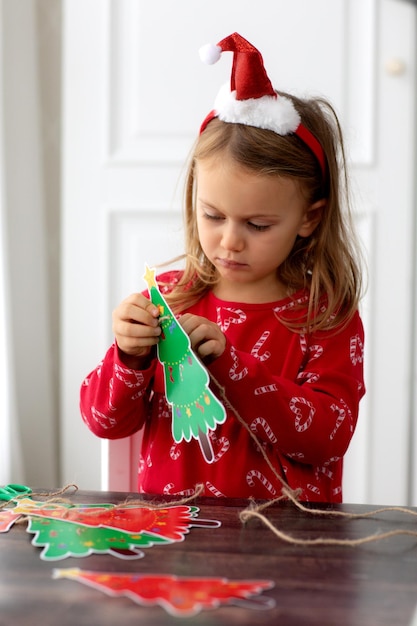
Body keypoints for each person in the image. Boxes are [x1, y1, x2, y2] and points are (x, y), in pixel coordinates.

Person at [80, 33, 365, 502]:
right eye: (213, 215)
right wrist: (129, 357)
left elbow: (327, 439)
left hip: (290, 548)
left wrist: (231, 366)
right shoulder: (171, 298)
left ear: (309, 218)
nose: (229, 240)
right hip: (174, 537)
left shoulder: (326, 314)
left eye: (257, 224)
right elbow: (104, 422)